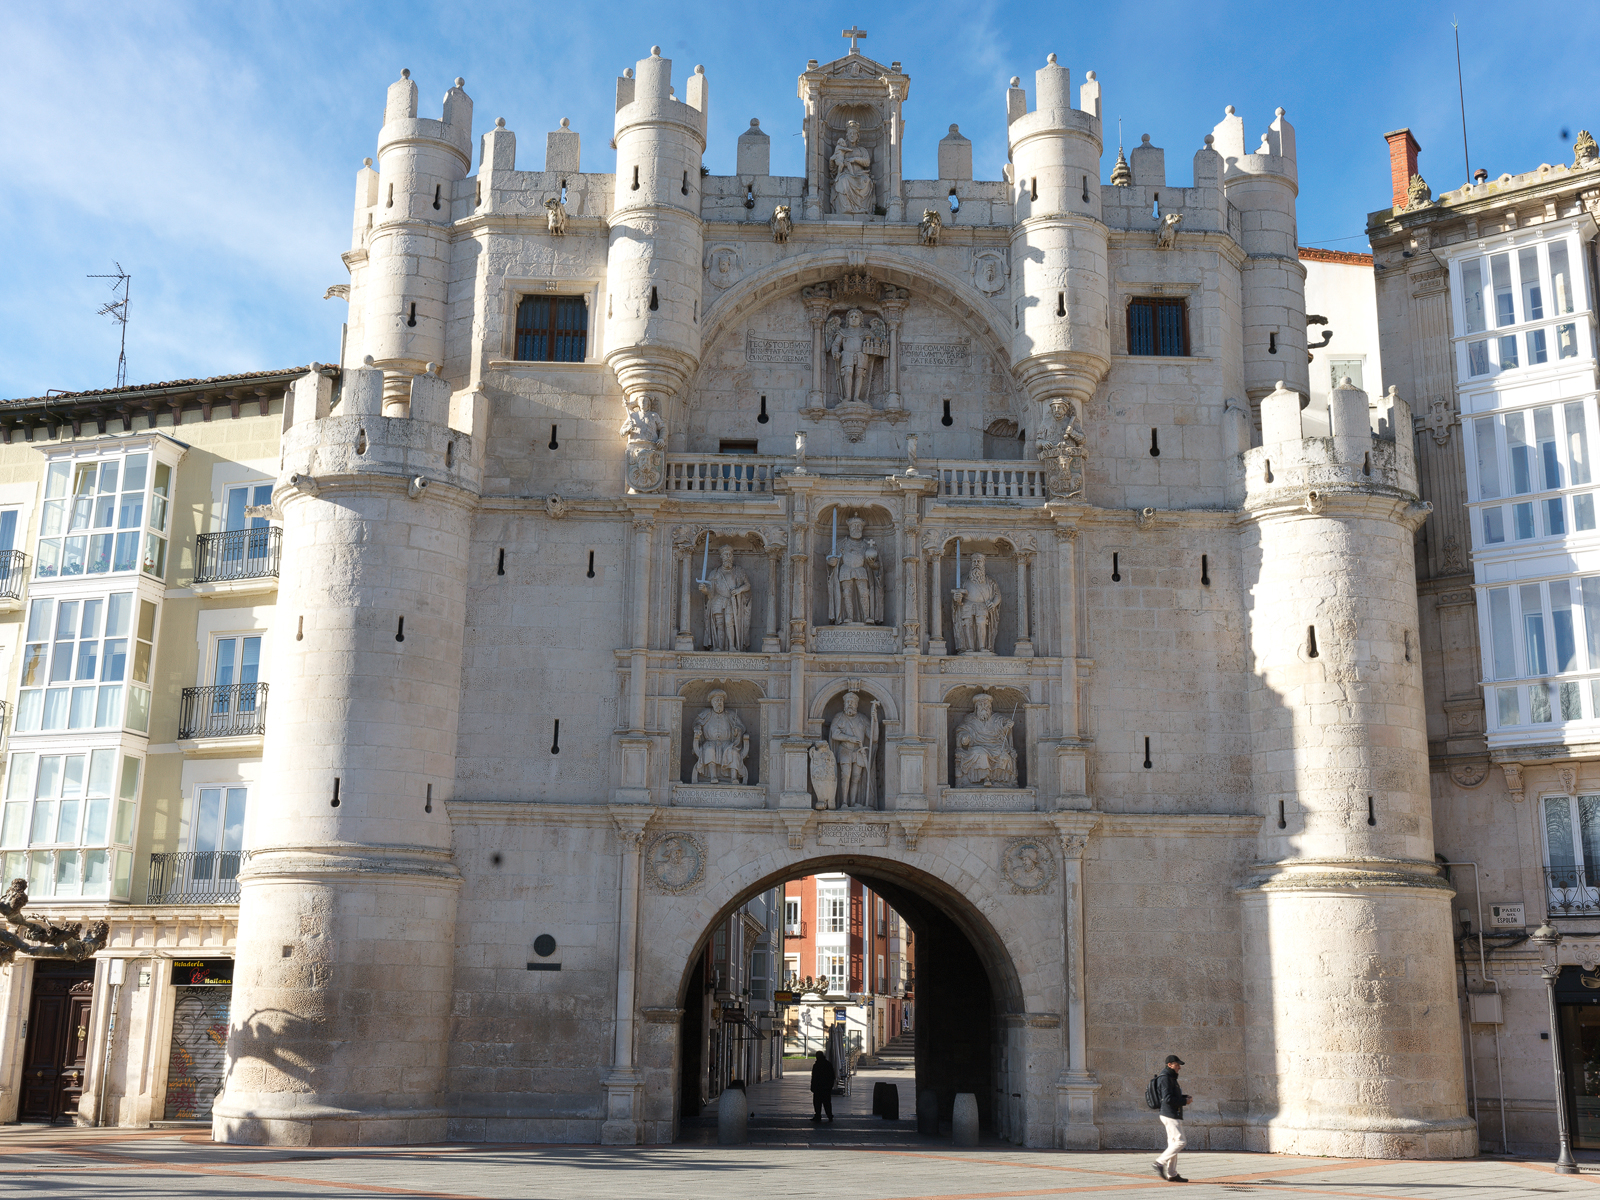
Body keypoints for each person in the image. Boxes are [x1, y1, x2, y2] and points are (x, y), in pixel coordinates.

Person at [1153, 1054, 1191, 1183]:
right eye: (1177, 1064)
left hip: (1171, 1114)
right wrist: (1184, 1101)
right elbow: (1168, 1099)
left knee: (1173, 1144)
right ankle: (1159, 1162)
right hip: (1170, 1115)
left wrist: (1184, 1098)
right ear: (1169, 1065)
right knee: (1181, 1142)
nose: (1179, 1067)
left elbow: (1171, 1096)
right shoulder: (1165, 1078)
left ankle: (1172, 1174)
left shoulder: (1170, 1077)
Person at [810, 1050, 836, 1121]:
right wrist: (830, 1085)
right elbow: (832, 1076)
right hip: (826, 1088)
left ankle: (818, 1115)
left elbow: (814, 1077)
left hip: (818, 1087)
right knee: (827, 1102)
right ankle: (829, 1115)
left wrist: (812, 1086)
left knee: (817, 1103)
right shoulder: (828, 1064)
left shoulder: (816, 1065)